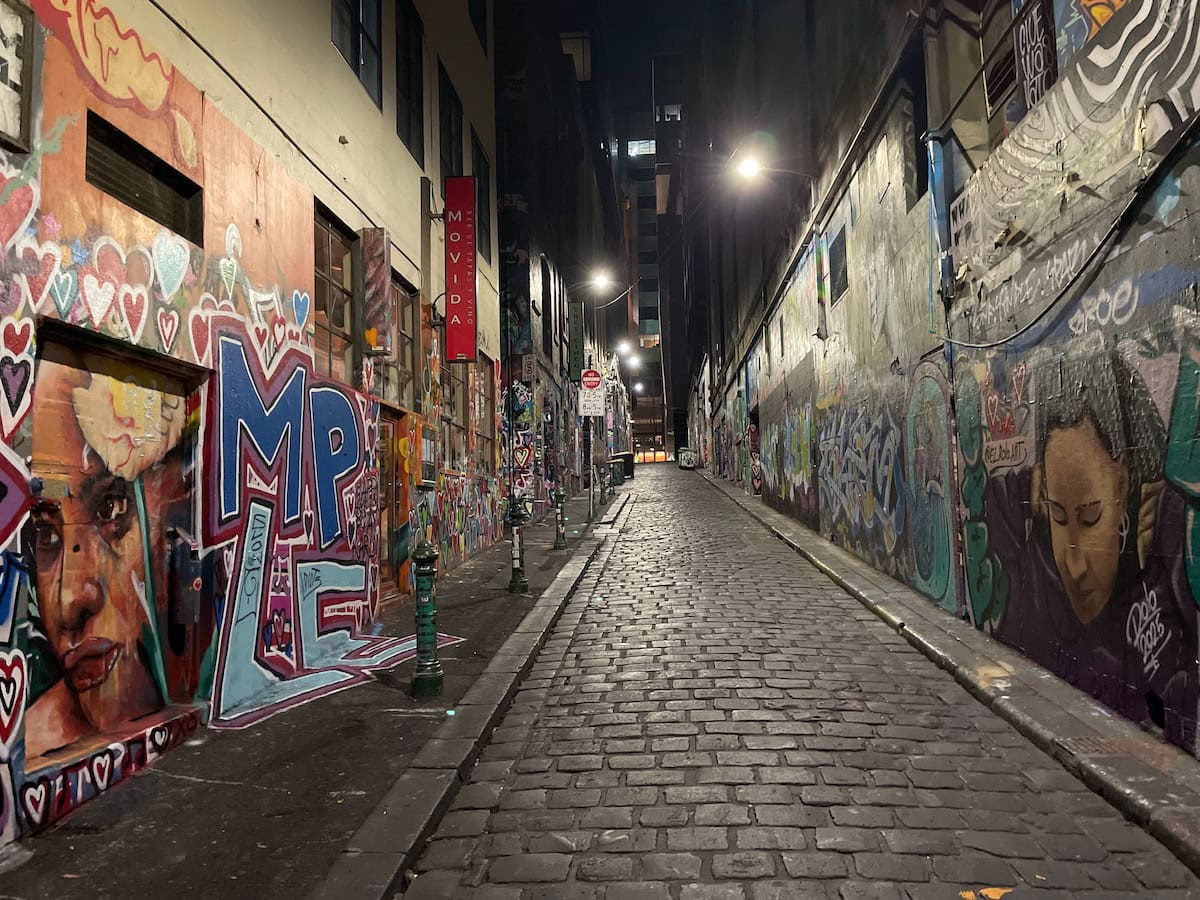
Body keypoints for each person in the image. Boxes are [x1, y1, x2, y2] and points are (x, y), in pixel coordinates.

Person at [995, 336, 1199, 750]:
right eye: (1058, 515)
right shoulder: (1023, 551)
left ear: (1124, 489)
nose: (1074, 563)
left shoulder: (1162, 587)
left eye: (1091, 517)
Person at [24, 345, 184, 758]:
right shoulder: (36, 744)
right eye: (45, 535)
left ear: (173, 499)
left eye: (111, 507)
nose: (71, 600)